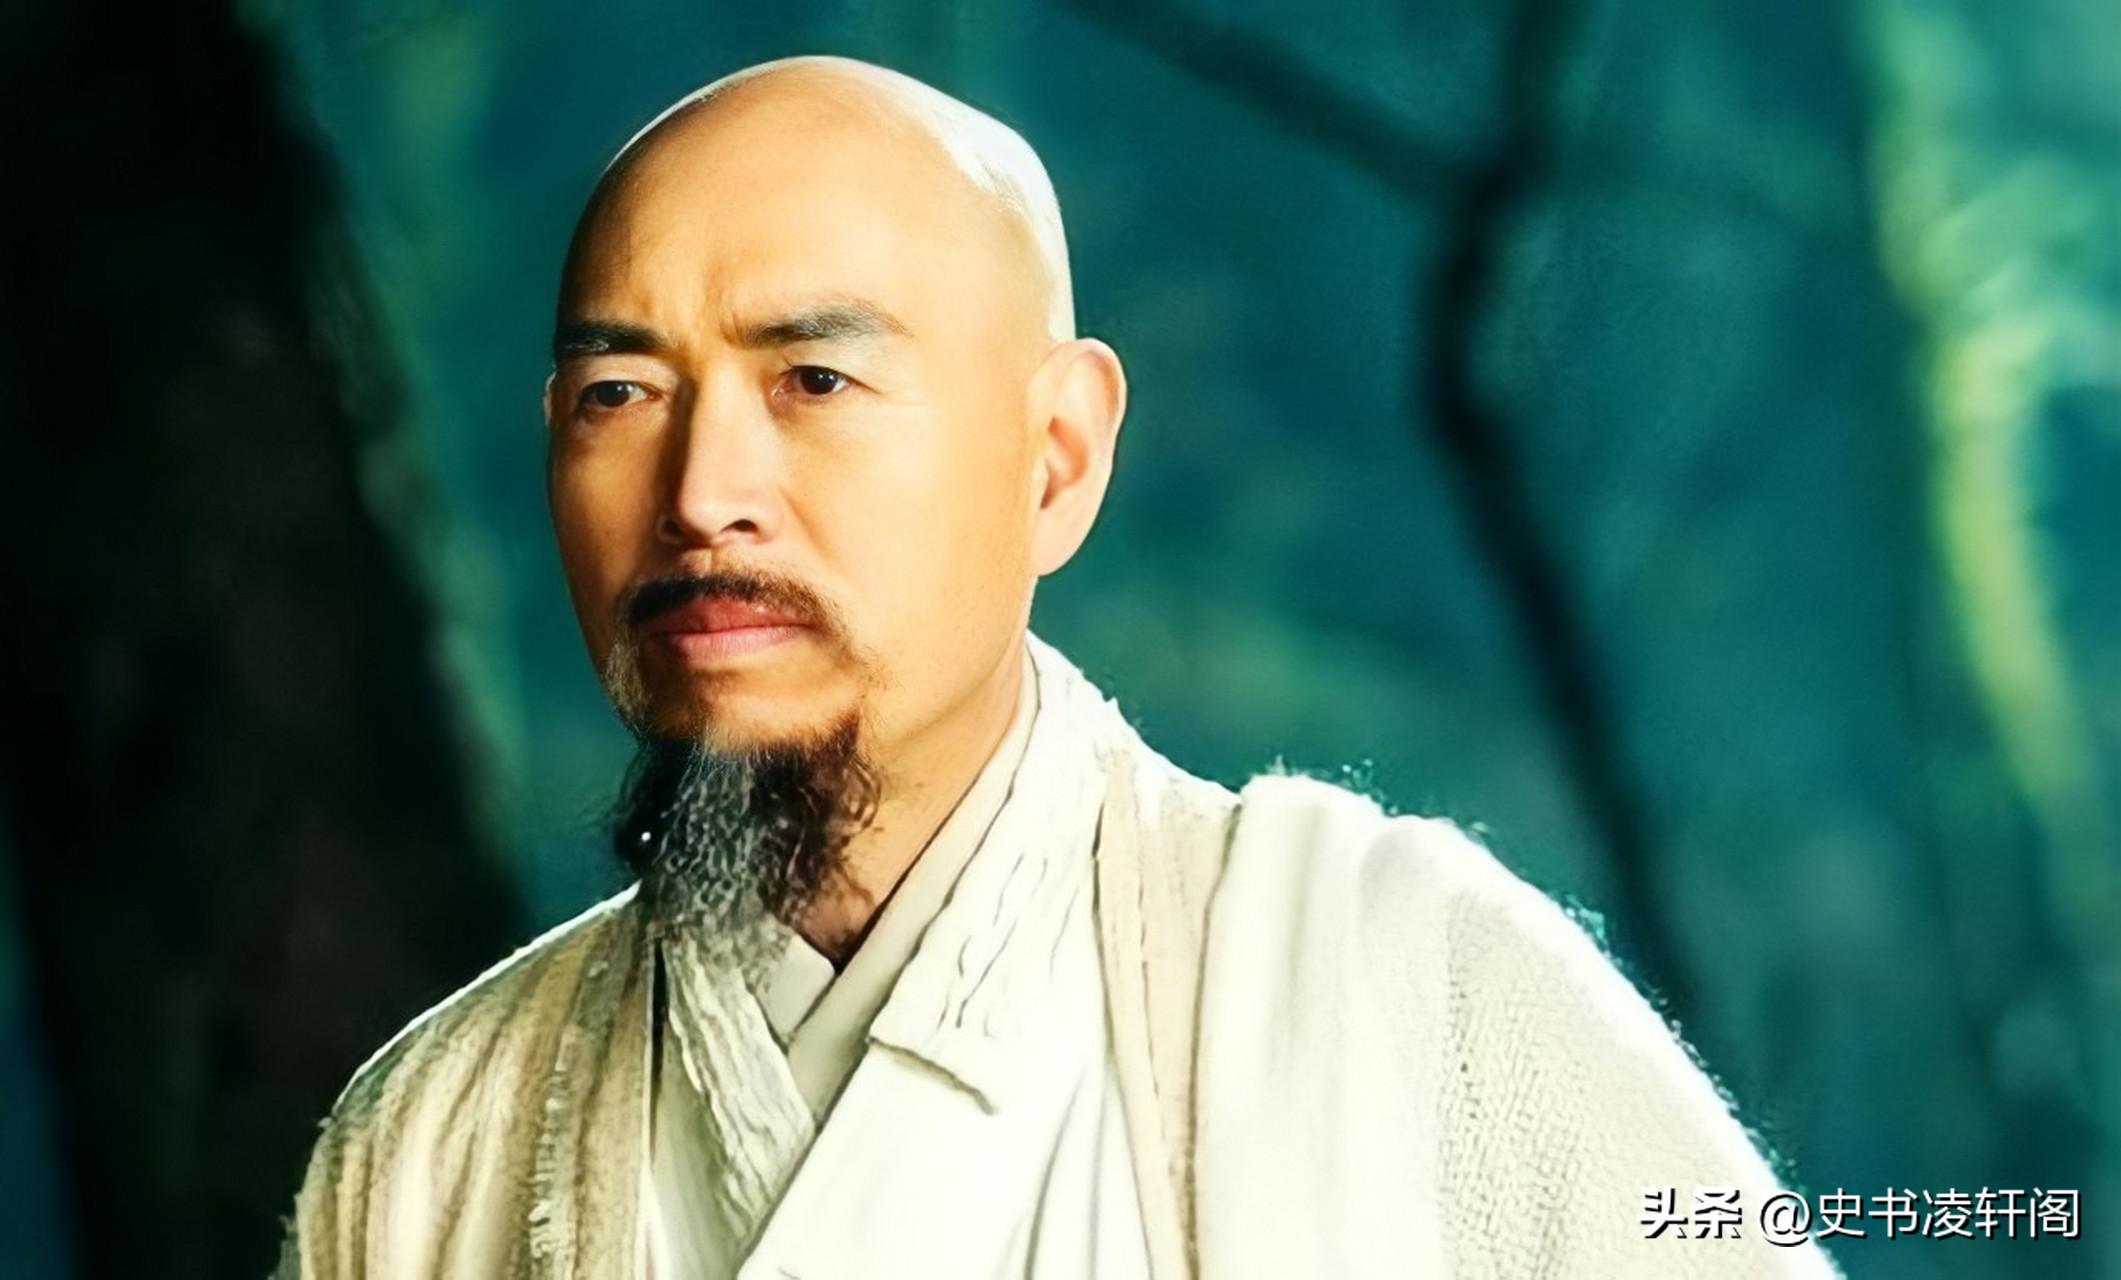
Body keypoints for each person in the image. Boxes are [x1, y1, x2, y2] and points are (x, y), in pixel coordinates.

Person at [277, 54, 1836, 1279]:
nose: (700, 494)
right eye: (619, 394)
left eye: (812, 377)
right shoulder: (433, 1141)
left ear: (1056, 458)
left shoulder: (1394, 985)